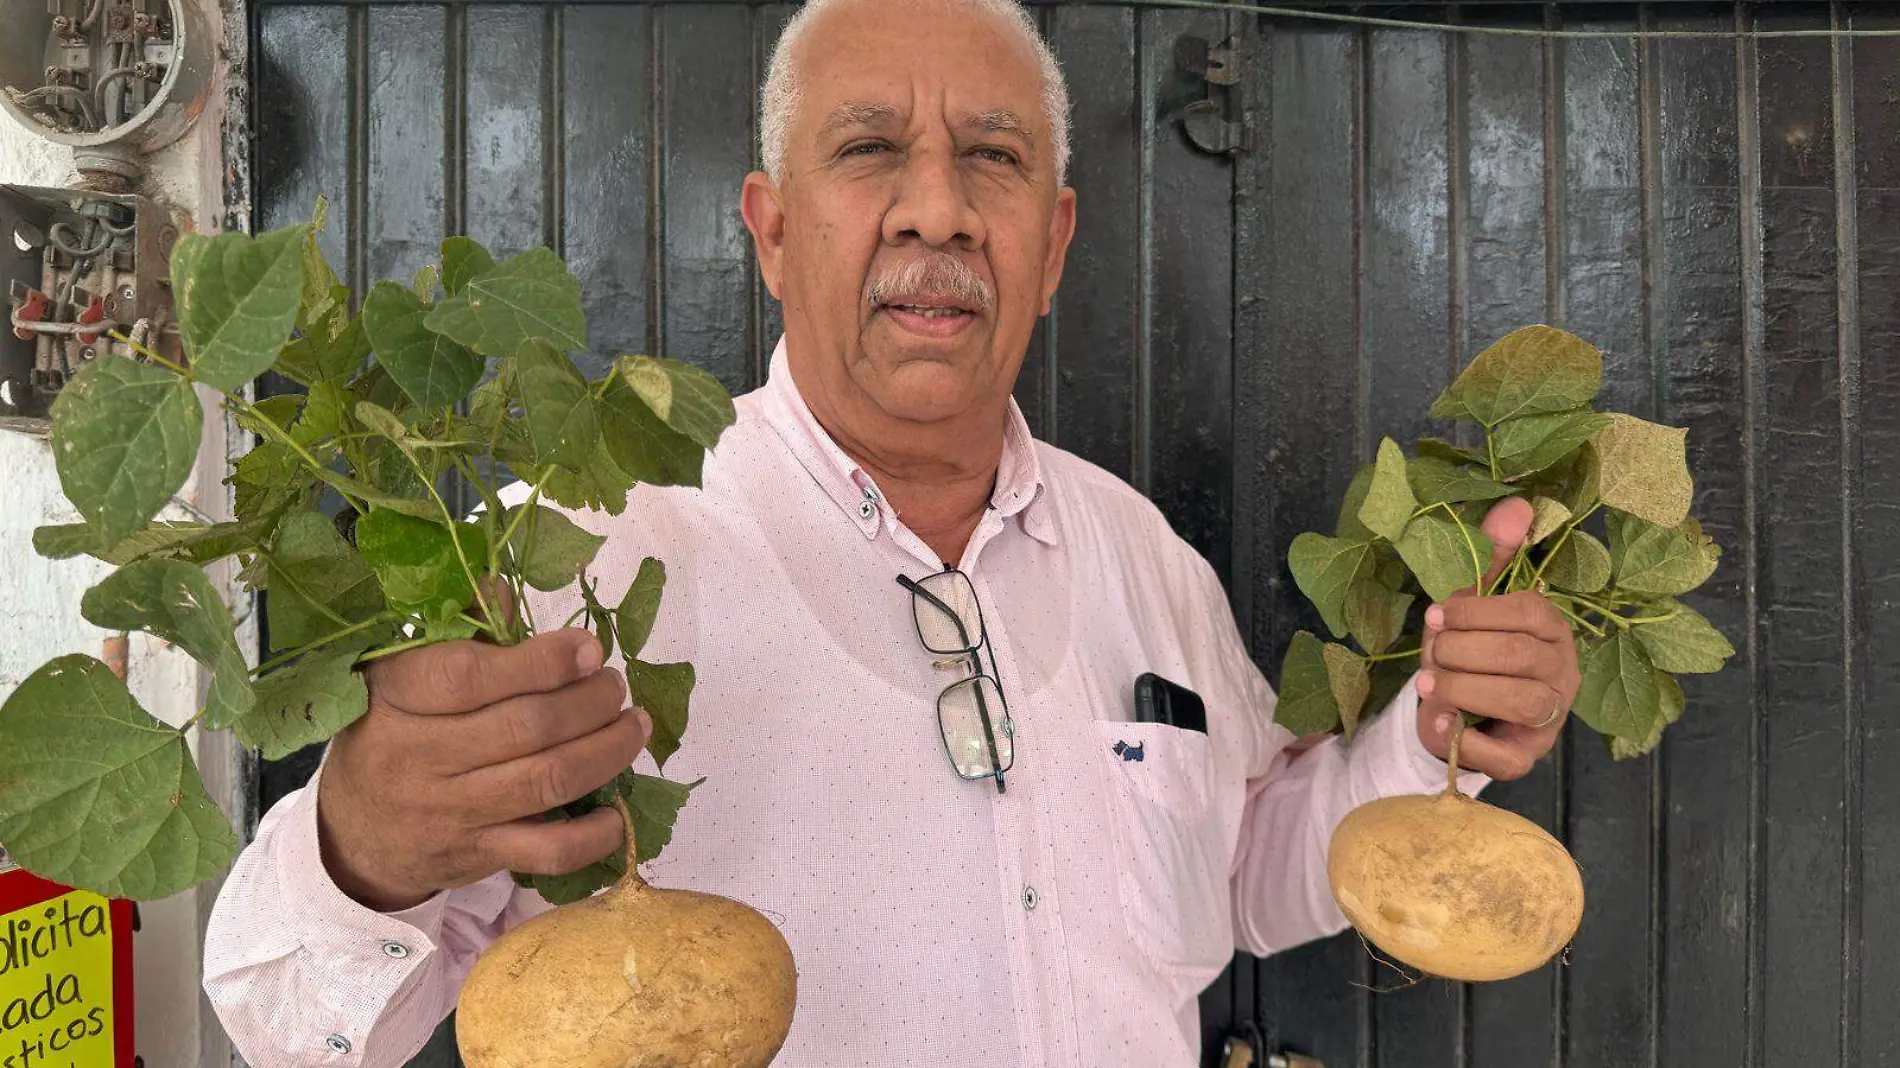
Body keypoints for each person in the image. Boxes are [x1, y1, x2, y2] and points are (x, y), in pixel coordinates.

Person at [201, 0, 1579, 1064]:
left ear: (1053, 241)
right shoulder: (568, 559)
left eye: (994, 158)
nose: (939, 209)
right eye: (871, 151)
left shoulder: (1141, 559)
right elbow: (281, 1019)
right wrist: (365, 849)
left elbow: (1253, 876)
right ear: (773, 229)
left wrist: (1435, 731)